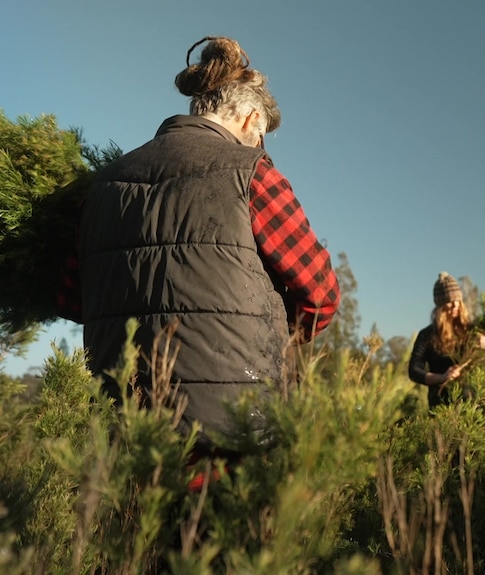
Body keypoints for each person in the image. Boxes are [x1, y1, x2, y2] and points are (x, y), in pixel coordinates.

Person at [57, 36, 340, 456]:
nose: (260, 147)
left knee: (136, 522)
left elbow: (71, 300)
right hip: (233, 428)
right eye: (260, 136)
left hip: (122, 430)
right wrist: (275, 334)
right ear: (249, 119)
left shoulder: (101, 184)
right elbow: (321, 294)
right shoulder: (252, 173)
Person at [408, 272, 485, 409]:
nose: (455, 305)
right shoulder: (426, 335)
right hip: (441, 404)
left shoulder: (472, 330)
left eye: (458, 300)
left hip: (474, 403)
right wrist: (442, 377)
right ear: (440, 306)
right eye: (450, 301)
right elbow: (414, 371)